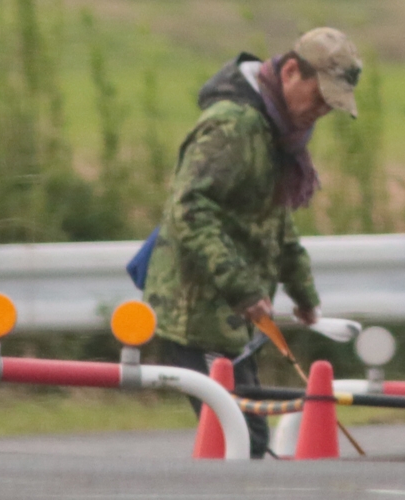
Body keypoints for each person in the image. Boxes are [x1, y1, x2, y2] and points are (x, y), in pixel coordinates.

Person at [143, 27, 362, 459]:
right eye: (319, 98)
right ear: (293, 71)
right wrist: (243, 288)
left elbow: (275, 221)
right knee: (241, 441)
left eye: (330, 106)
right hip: (198, 316)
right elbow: (188, 209)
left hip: (233, 321)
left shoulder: (276, 133)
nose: (321, 112)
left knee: (247, 441)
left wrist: (303, 293)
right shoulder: (234, 126)